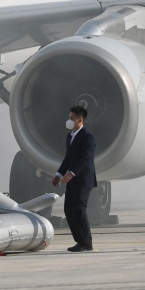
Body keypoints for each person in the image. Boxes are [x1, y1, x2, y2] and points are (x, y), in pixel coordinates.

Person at [51, 105, 97, 252]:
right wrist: (58, 174)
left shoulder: (87, 137)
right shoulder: (70, 136)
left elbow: (86, 158)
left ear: (80, 120)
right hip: (71, 180)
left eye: (71, 118)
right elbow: (68, 158)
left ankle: (86, 242)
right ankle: (80, 241)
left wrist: (72, 173)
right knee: (68, 209)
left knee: (79, 209)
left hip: (83, 180)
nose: (69, 121)